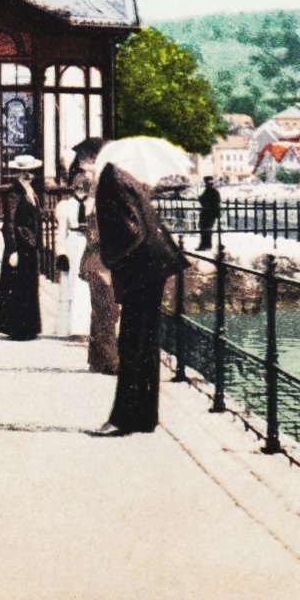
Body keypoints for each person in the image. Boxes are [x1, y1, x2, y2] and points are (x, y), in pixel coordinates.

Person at [96, 163, 185, 433]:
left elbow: (131, 231)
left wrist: (108, 260)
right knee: (146, 342)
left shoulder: (110, 179)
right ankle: (145, 417)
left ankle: (123, 419)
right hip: (154, 265)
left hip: (140, 268)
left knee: (132, 343)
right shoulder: (128, 176)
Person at [0, 155, 43, 340]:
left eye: (30, 172)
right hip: (20, 245)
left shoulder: (30, 191)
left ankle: (29, 327)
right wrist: (12, 249)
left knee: (28, 285)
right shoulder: (15, 193)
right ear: (18, 173)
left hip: (29, 244)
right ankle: (18, 328)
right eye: (24, 172)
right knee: (19, 286)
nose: (28, 175)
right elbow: (10, 222)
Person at [80, 176, 120, 376]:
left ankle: (97, 359)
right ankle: (111, 361)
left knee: (103, 311)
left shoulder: (103, 212)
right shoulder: (97, 214)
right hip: (99, 265)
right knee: (106, 311)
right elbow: (96, 241)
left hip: (101, 265)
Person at [53, 171, 93, 337]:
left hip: (88, 242)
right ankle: (68, 326)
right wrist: (60, 253)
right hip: (73, 242)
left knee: (87, 284)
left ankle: (85, 326)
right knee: (70, 282)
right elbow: (61, 231)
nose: (80, 190)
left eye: (83, 186)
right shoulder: (66, 206)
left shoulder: (93, 204)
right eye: (78, 187)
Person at [197, 175, 221, 252]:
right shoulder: (213, 191)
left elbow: (205, 201)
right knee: (206, 228)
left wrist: (200, 199)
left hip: (208, 213)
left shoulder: (210, 191)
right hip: (210, 213)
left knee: (205, 228)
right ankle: (205, 245)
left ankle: (205, 245)